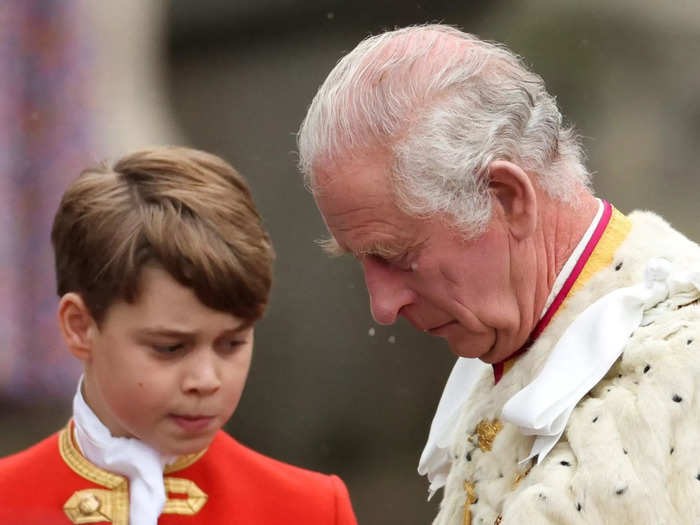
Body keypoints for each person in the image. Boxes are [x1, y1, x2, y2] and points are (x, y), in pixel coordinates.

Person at [297, 24, 700, 525]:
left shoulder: (681, 371)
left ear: (507, 197)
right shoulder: (516, 336)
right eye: (359, 259)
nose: (382, 306)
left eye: (397, 255)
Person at [0, 146, 358, 525]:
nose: (206, 381)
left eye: (232, 343)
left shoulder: (307, 510)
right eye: (170, 348)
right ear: (80, 327)